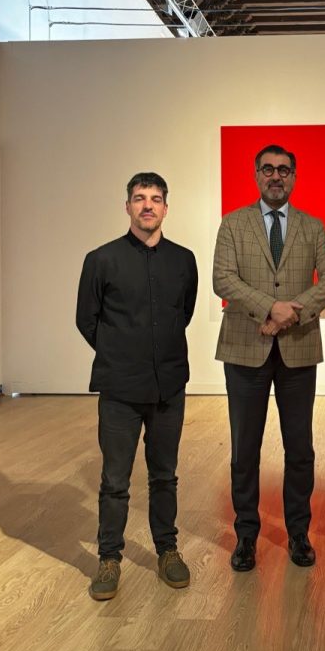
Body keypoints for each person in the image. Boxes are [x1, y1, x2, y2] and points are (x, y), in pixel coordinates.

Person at [213, 144, 325, 572]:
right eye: (268, 169)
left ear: (294, 177)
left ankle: (299, 533)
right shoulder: (233, 225)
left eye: (283, 170)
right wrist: (271, 306)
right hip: (245, 348)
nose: (275, 176)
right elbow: (222, 279)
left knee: (300, 448)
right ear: (255, 174)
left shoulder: (313, 226)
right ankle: (246, 536)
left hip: (297, 350)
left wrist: (292, 312)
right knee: (244, 450)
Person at [76, 172, 198, 600]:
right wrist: (122, 354)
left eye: (156, 198)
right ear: (127, 206)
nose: (148, 205)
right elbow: (85, 320)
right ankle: (109, 558)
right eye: (139, 198)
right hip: (120, 390)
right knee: (115, 480)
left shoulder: (184, 260)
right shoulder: (101, 259)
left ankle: (167, 550)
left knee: (165, 476)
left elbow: (184, 313)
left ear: (166, 207)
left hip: (169, 387)